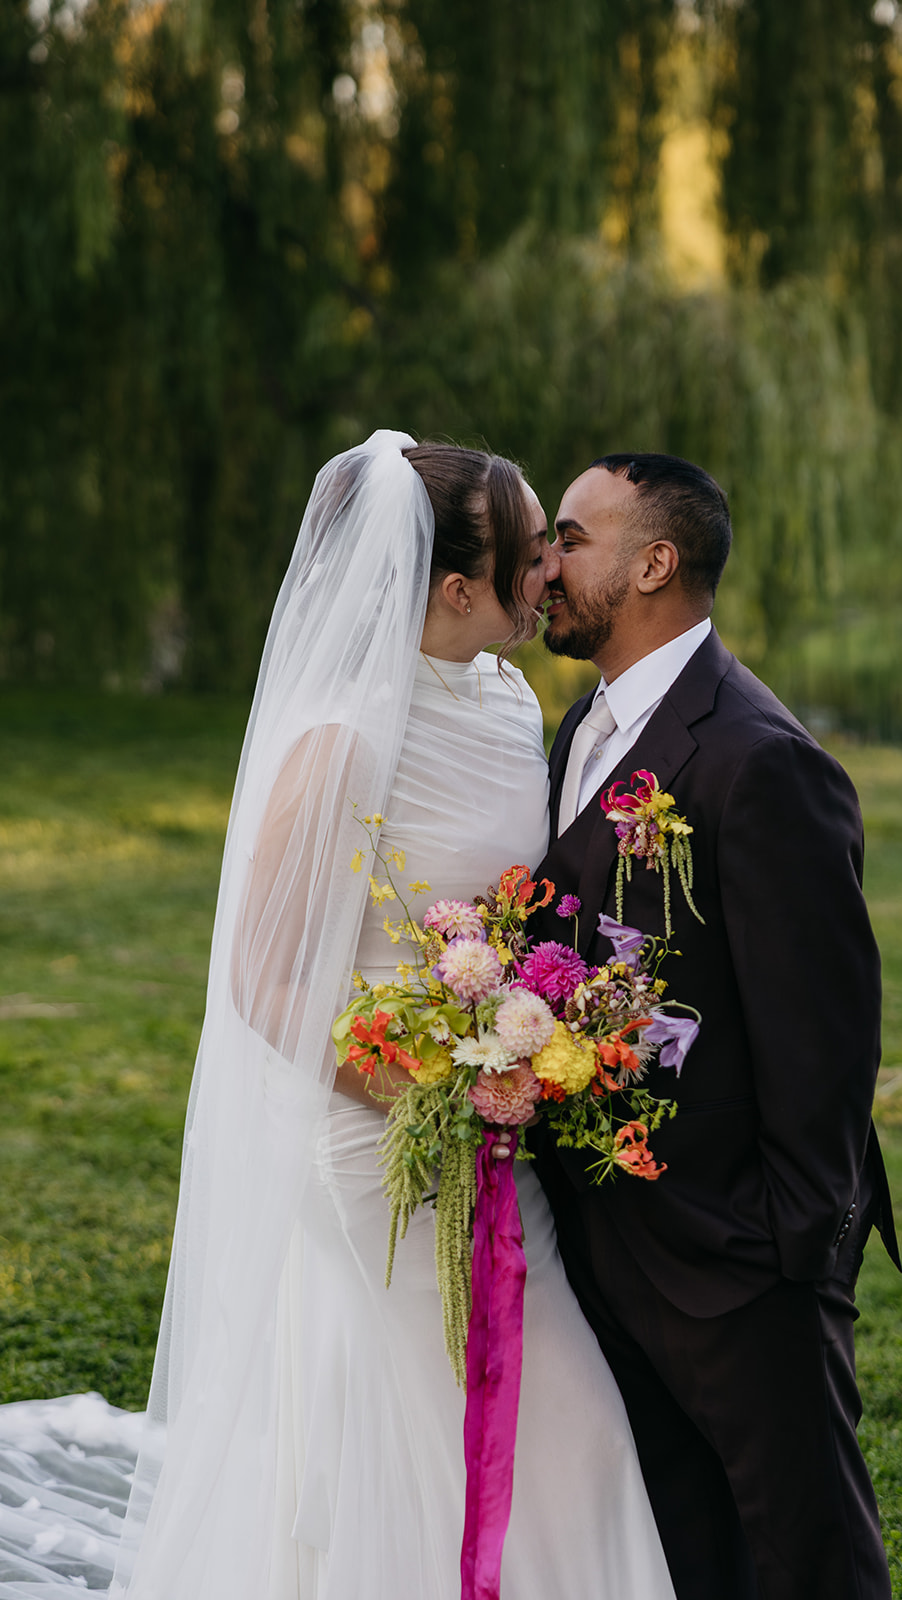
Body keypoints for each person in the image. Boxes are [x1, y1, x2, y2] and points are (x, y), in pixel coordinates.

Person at [0, 432, 674, 1600]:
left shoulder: (508, 697)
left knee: (532, 1427)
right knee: (462, 1429)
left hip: (491, 1132)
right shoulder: (340, 740)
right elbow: (264, 983)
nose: (547, 580)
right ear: (456, 586)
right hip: (381, 1148)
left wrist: (529, 1034)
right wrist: (436, 1089)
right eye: (526, 558)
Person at [528, 452, 902, 1600]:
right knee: (683, 1541)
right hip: (607, 1228)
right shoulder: (586, 721)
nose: (544, 563)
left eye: (569, 537)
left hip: (735, 1256)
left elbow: (823, 1032)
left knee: (807, 1554)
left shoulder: (762, 760)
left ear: (654, 562)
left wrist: (793, 1252)